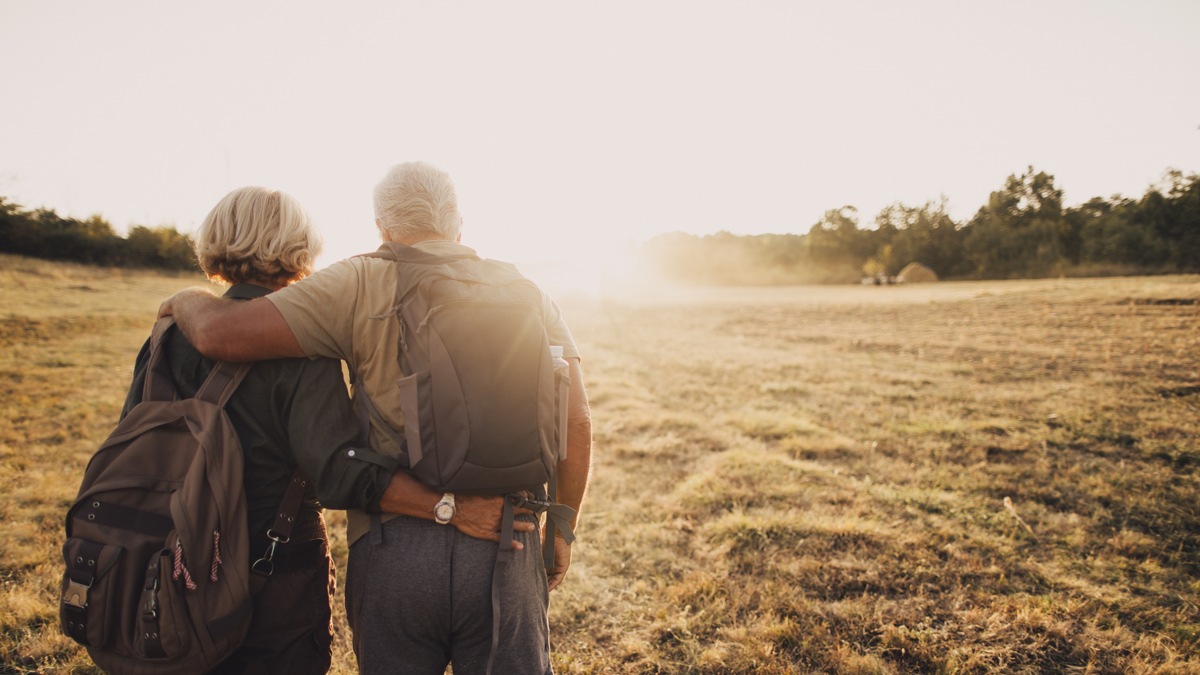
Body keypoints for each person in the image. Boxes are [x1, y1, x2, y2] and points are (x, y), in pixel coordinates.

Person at [158, 162, 592, 675]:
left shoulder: (357, 280)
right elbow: (578, 421)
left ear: (382, 227)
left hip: (394, 545)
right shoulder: (529, 293)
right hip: (508, 535)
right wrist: (561, 525)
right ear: (459, 224)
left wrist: (185, 299)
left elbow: (221, 336)